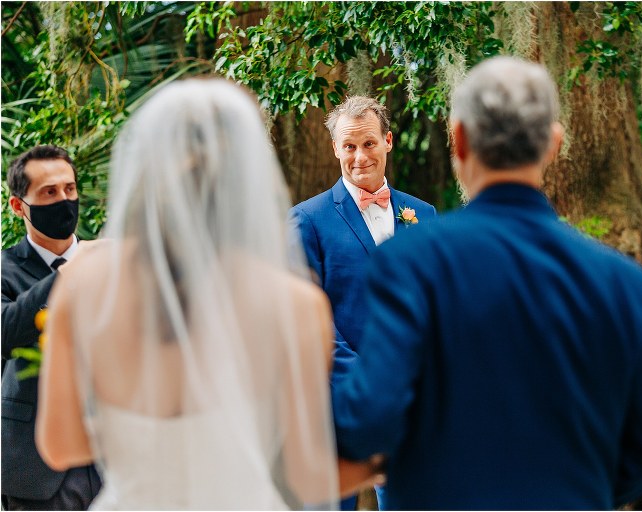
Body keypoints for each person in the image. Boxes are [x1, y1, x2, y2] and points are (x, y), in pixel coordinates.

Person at [332, 56, 642, 509]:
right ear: (554, 143)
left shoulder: (409, 263)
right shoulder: (623, 282)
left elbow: (365, 426)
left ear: (460, 140)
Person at [35, 78, 380, 510]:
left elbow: (61, 445)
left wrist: (139, 433)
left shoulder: (83, 283)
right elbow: (307, 477)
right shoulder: (291, 304)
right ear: (246, 180)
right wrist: (388, 454)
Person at [290, 96, 436, 509]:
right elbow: (307, 315)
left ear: (388, 141)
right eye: (349, 146)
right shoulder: (308, 220)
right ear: (335, 148)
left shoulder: (422, 214)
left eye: (369, 143)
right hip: (337, 402)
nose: (359, 156)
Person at [2, 145, 102, 510]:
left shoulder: (110, 263)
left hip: (114, 458)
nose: (64, 200)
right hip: (37, 467)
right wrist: (69, 273)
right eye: (49, 192)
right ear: (18, 206)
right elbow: (5, 332)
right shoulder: (5, 270)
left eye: (69, 189)